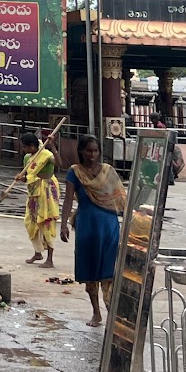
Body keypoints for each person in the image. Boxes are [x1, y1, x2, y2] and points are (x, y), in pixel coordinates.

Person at [60, 134, 127, 327]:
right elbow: (68, 200)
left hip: (109, 226)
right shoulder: (75, 172)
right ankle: (96, 313)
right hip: (87, 226)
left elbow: (120, 198)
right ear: (81, 151)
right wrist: (63, 224)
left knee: (109, 269)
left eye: (95, 151)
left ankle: (112, 313)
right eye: (88, 150)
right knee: (90, 269)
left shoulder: (108, 171)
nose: (92, 154)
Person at [21, 132, 61, 268]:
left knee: (46, 222)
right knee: (30, 222)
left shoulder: (47, 155)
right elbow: (28, 175)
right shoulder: (27, 158)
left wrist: (53, 146)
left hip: (47, 192)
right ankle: (38, 252)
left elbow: (59, 163)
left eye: (25, 147)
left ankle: (50, 259)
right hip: (33, 193)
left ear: (32, 146)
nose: (23, 149)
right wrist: (22, 178)